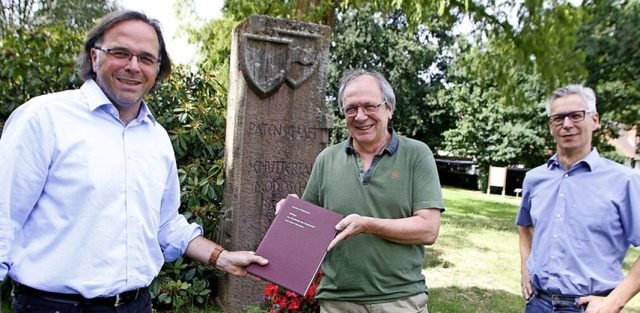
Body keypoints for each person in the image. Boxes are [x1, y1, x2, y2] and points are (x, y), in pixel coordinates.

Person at [0, 10, 267, 313]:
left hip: (136, 305)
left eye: (145, 58)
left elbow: (165, 223)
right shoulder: (43, 120)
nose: (133, 67)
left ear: (157, 68)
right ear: (94, 56)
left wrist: (223, 258)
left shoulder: (157, 139)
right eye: (120, 53)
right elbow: (4, 219)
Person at [277, 69, 445, 312]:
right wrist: (291, 213)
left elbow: (428, 230)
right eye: (351, 109)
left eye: (370, 106)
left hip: (399, 300)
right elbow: (309, 232)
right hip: (337, 301)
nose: (360, 116)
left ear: (389, 108)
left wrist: (368, 225)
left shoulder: (417, 154)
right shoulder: (327, 159)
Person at [516, 84, 640, 313]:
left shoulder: (625, 181)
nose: (567, 124)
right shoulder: (535, 178)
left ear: (595, 120)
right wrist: (525, 267)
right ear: (551, 126)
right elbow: (524, 226)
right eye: (558, 118)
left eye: (576, 115)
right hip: (537, 303)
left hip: (589, 307)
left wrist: (614, 301)